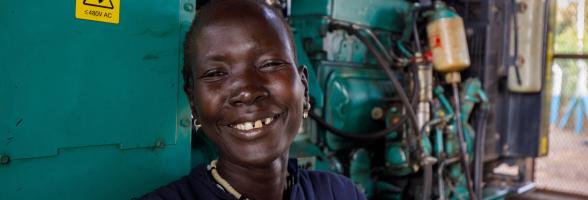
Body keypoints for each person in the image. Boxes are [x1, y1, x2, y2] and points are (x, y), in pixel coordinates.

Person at [141, 0, 366, 199]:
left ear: (304, 89)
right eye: (216, 74)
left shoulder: (341, 193)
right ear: (194, 104)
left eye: (270, 64)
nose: (247, 92)